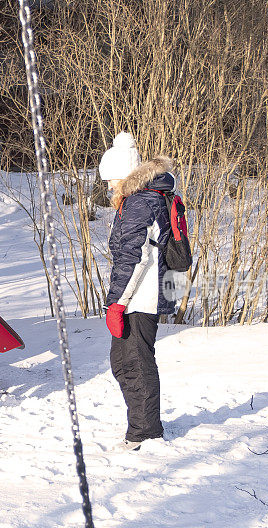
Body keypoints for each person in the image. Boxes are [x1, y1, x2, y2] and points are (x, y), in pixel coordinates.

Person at [100, 132, 176, 451]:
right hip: (143, 291)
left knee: (134, 361)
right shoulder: (143, 198)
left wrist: (117, 303)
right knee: (124, 360)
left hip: (141, 295)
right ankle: (143, 423)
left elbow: (133, 256)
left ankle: (145, 432)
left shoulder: (138, 203)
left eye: (111, 182)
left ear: (124, 177)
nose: (108, 189)